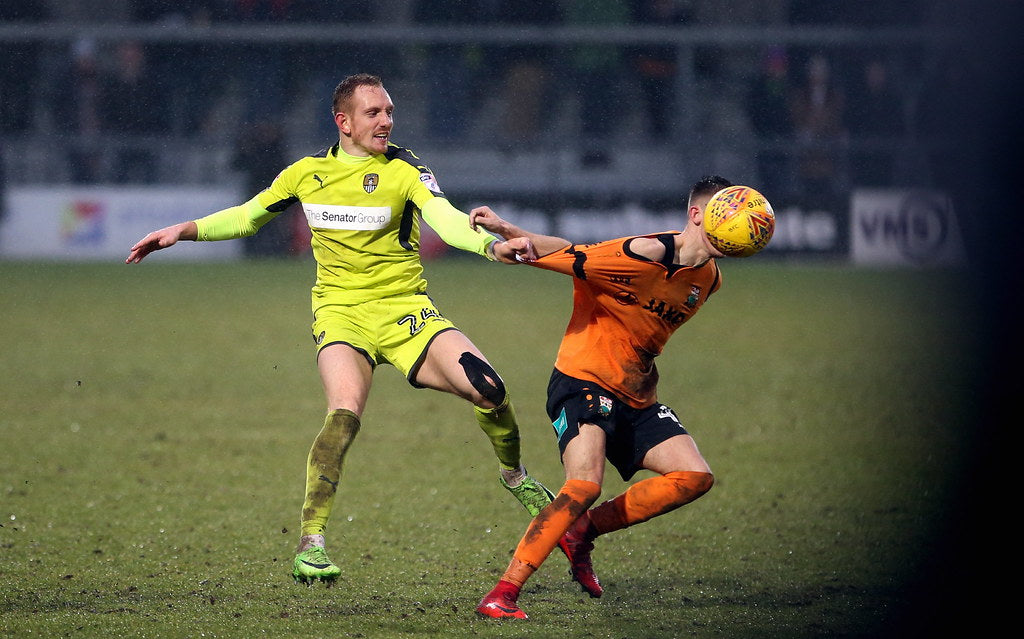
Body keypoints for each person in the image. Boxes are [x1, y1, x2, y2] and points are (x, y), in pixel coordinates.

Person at [125, 73, 556, 586]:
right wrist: (182, 230)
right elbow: (247, 217)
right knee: (343, 415)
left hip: (406, 312)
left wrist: (491, 245)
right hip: (341, 314)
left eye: (390, 111)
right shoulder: (307, 174)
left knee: (491, 390)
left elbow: (445, 219)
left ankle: (516, 477)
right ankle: (311, 544)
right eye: (374, 113)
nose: (386, 121)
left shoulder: (405, 167)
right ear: (343, 121)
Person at [472, 175, 753, 620]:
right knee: (584, 483)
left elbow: (581, 251)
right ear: (697, 215)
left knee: (694, 476)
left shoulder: (710, 278)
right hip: (582, 380)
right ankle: (502, 593)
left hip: (638, 393)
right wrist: (511, 237)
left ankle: (582, 531)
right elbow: (575, 258)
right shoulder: (641, 253)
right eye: (728, 213)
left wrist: (515, 229)